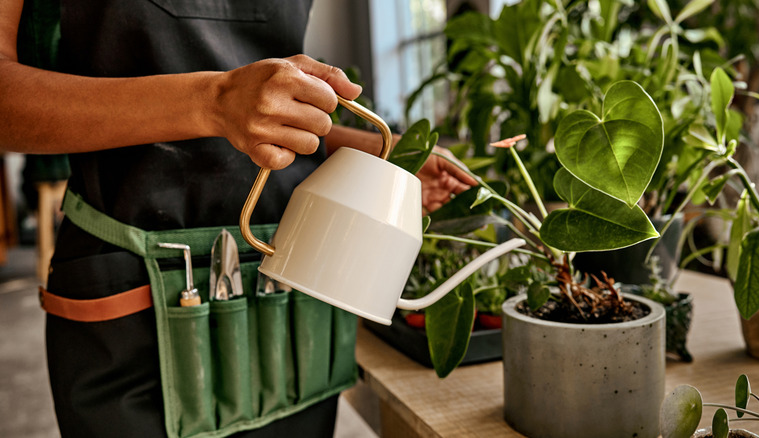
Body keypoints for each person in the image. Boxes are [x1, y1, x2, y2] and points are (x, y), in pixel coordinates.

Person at [0, 0, 476, 437]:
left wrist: (377, 150)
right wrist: (213, 100)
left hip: (292, 282)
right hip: (133, 292)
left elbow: (274, 111)